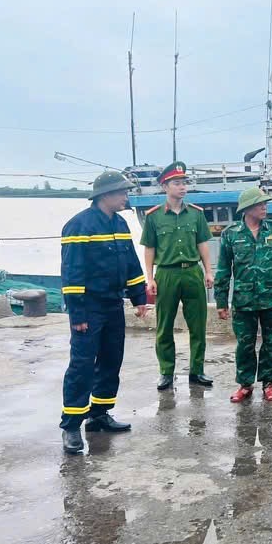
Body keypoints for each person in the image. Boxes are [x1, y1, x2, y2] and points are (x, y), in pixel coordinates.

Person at [59, 171, 147, 454]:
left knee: (111, 361)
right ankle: (71, 426)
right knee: (82, 365)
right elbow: (72, 273)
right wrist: (78, 315)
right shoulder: (78, 225)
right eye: (122, 192)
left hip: (112, 305)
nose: (126, 197)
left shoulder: (120, 223)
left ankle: (99, 415)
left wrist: (139, 297)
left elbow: (132, 263)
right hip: (89, 308)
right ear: (105, 195)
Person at [214, 186, 272, 403]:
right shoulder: (230, 234)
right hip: (244, 300)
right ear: (248, 208)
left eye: (265, 203)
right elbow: (224, 269)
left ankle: (268, 383)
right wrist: (221, 301)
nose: (264, 207)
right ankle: (245, 384)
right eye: (260, 204)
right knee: (245, 344)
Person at [140, 161, 214, 391]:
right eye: (177, 183)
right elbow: (149, 249)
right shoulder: (153, 217)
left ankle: (197, 370)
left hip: (192, 272)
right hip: (167, 274)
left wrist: (209, 271)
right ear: (165, 187)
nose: (182, 187)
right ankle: (166, 372)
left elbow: (202, 244)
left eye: (184, 183)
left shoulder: (196, 214)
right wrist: (150, 278)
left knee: (198, 325)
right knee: (164, 325)